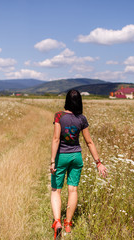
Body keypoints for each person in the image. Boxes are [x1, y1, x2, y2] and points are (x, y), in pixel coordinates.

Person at [50, 89, 107, 239]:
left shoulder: (59, 116)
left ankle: (57, 222)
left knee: (56, 190)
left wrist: (52, 160)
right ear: (79, 102)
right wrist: (98, 163)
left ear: (67, 101)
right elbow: (89, 142)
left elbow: (56, 139)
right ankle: (68, 223)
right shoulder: (82, 119)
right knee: (73, 190)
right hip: (76, 157)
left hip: (61, 156)